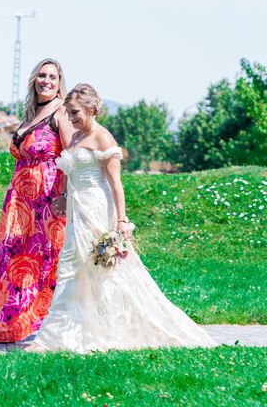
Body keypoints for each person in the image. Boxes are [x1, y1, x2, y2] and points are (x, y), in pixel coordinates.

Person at [27, 84, 215, 353]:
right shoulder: (77, 137)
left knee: (104, 272)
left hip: (98, 209)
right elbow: (72, 174)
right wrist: (64, 198)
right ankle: (60, 338)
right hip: (76, 211)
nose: (71, 118)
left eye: (75, 112)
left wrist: (122, 221)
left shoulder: (104, 138)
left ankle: (114, 328)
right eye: (68, 113)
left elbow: (116, 184)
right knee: (71, 269)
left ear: (92, 109)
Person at [0, 59, 74, 342]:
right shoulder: (33, 113)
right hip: (20, 202)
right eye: (42, 75)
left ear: (59, 82)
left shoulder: (62, 112)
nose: (46, 80)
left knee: (36, 261)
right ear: (34, 80)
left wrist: (64, 195)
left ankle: (20, 323)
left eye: (53, 77)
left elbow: (71, 156)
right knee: (10, 257)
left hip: (46, 200)